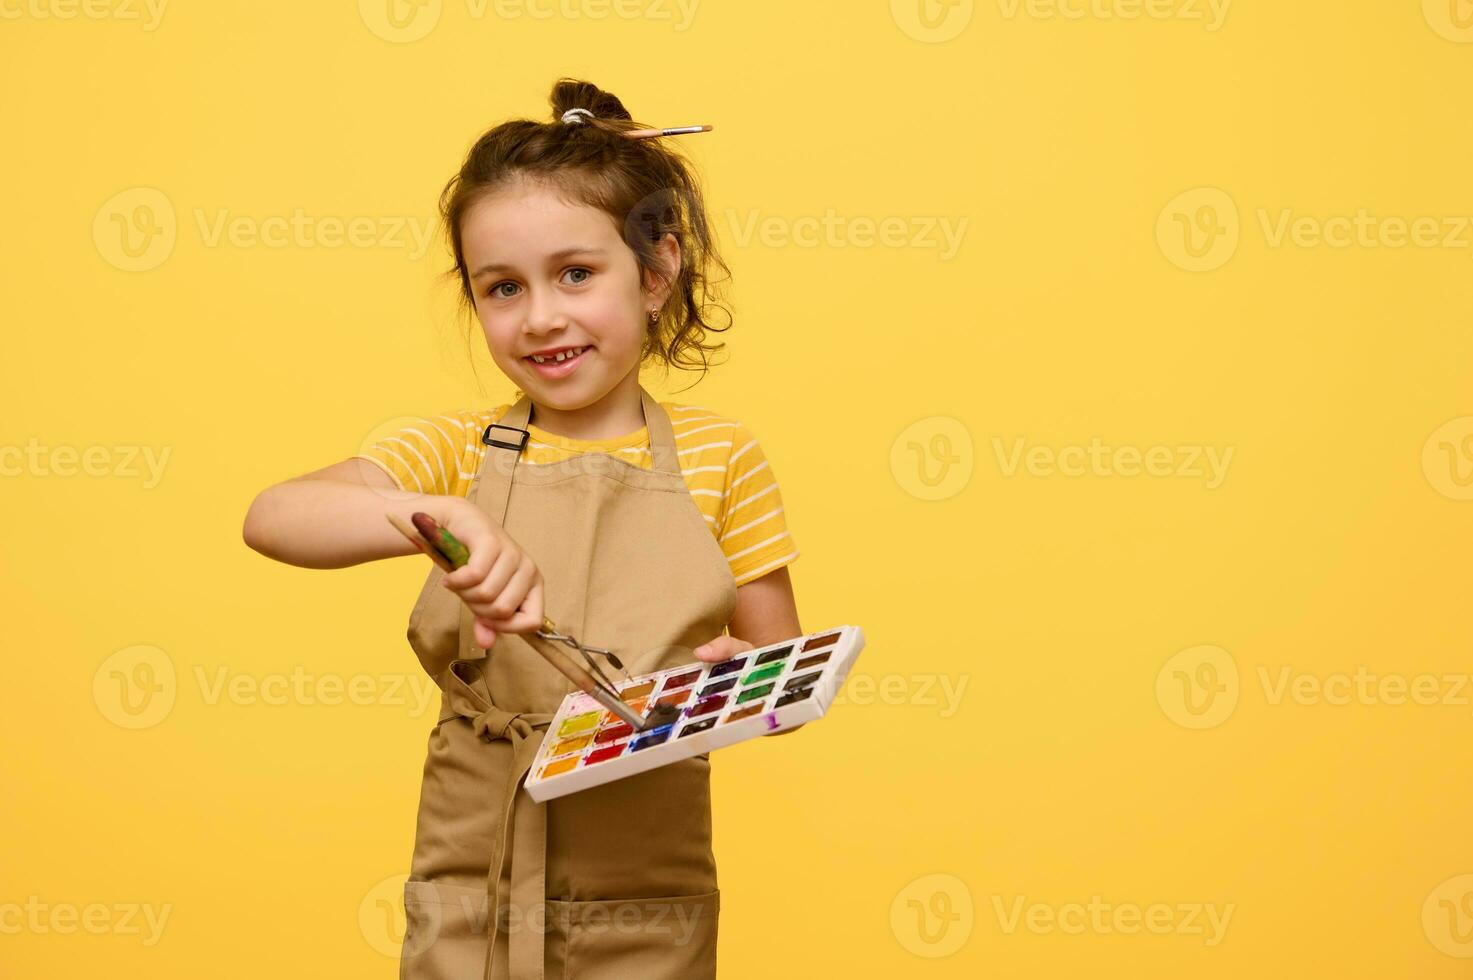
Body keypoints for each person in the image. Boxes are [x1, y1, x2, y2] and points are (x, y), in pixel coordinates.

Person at [242, 76, 802, 978]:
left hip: (645, 897)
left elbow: (778, 668)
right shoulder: (450, 451)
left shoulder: (721, 456)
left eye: (576, 274)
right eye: (502, 288)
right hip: (478, 882)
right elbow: (272, 517)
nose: (541, 317)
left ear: (657, 272)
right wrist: (427, 515)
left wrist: (739, 683)